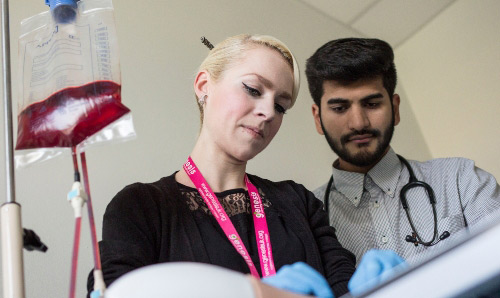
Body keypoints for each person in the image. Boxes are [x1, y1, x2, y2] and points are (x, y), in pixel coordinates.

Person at [87, 34, 358, 297]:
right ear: (204, 85)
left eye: (281, 106)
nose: (268, 112)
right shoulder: (141, 207)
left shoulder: (299, 202)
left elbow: (343, 284)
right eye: (253, 89)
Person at [305, 37, 500, 265]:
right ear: (318, 119)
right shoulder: (309, 217)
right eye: (340, 108)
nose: (358, 123)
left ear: (395, 109)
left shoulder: (460, 180)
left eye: (372, 104)